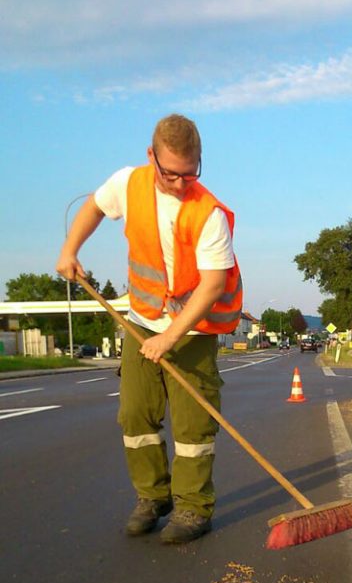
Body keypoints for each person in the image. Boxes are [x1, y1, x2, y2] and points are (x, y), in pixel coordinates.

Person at [56, 114, 242, 544]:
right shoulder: (129, 183)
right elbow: (94, 207)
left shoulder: (208, 213)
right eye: (171, 173)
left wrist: (170, 336)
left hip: (193, 331)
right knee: (135, 415)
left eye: (190, 172)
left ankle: (193, 508)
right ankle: (152, 497)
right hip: (141, 321)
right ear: (151, 157)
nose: (180, 184)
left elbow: (213, 285)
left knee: (194, 427)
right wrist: (70, 249)